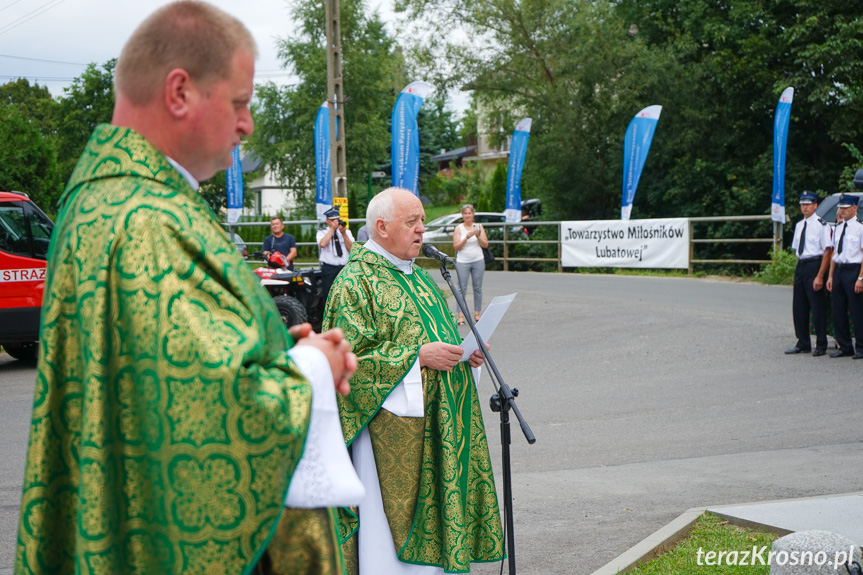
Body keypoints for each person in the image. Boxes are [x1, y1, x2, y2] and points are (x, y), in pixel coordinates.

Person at [14, 3, 359, 574]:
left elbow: (171, 368)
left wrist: (276, 348)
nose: (247, 124)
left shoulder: (119, 198)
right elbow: (205, 415)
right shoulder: (145, 218)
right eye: (240, 102)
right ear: (179, 92)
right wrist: (312, 365)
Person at [322, 187, 504, 574]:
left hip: (441, 423)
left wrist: (464, 351)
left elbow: (440, 335)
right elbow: (345, 362)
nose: (423, 229)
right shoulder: (354, 282)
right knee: (388, 549)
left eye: (422, 220)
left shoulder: (420, 277)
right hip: (391, 438)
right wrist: (417, 357)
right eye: (413, 222)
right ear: (382, 227)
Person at [785, 191, 833, 356]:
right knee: (799, 305)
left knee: (816, 305)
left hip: (815, 264)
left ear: (815, 205)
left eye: (808, 204)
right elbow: (798, 249)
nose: (804, 207)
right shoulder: (799, 225)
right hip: (802, 264)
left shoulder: (821, 225)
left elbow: (828, 251)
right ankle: (803, 342)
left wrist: (820, 275)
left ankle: (821, 343)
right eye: (802, 204)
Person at [825, 194, 863, 358]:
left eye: (846, 207)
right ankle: (845, 345)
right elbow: (835, 253)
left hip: (854, 270)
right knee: (838, 309)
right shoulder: (838, 228)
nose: (842, 210)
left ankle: (861, 347)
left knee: (857, 311)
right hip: (839, 270)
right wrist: (831, 276)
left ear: (855, 208)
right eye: (841, 207)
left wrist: (861, 278)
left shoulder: (860, 228)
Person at [452, 204, 489, 325]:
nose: (467, 215)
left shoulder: (479, 226)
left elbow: (485, 245)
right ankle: (460, 315)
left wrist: (477, 235)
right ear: (462, 215)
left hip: (478, 259)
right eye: (465, 213)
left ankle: (477, 313)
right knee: (461, 288)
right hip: (463, 261)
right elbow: (456, 247)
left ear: (473, 214)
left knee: (477, 288)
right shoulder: (459, 228)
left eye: (469, 213)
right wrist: (466, 237)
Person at [317, 207, 353, 304]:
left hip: (344, 267)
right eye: (332, 220)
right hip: (329, 268)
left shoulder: (346, 232)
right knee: (329, 295)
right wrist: (332, 229)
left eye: (336, 220)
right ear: (327, 221)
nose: (335, 222)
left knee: (347, 294)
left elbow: (351, 249)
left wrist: (344, 233)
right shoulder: (322, 232)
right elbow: (323, 244)